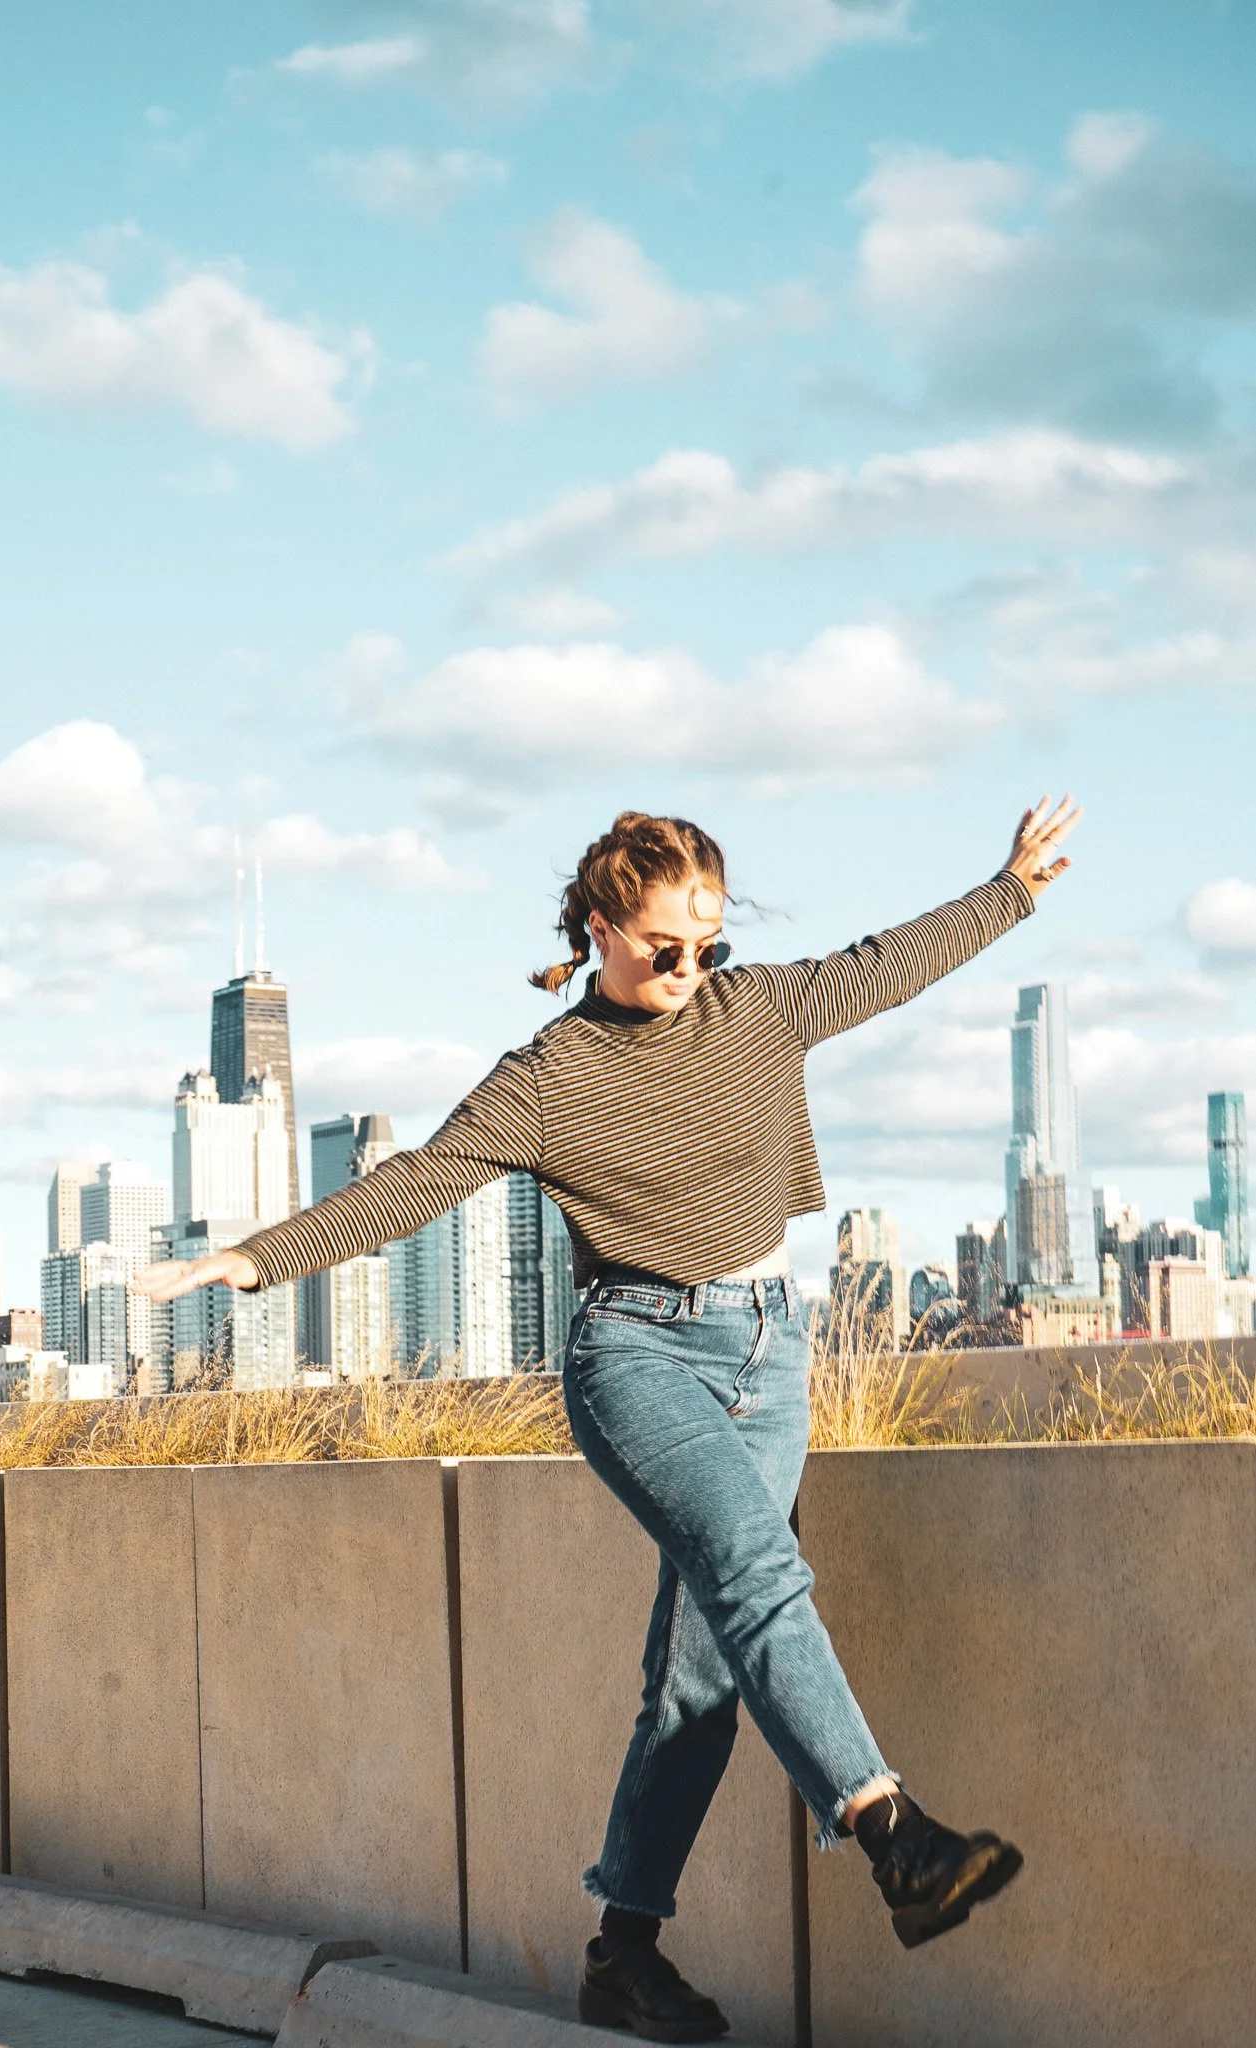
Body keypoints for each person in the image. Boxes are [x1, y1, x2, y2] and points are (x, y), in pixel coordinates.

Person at [139, 797, 1080, 2044]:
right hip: (634, 1353)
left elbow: (886, 965)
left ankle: (622, 1953)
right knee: (759, 1573)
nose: (690, 972)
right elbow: (413, 1181)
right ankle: (892, 1832)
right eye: (661, 948)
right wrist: (252, 1260)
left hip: (767, 1347)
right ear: (598, 930)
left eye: (708, 947)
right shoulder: (549, 1077)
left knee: (700, 1676)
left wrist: (1008, 886)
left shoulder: (760, 1009)